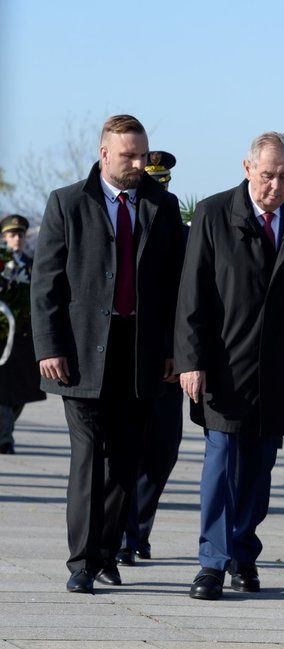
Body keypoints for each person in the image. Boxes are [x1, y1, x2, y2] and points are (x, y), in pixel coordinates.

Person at [174, 132, 284, 601]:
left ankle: (243, 551)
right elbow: (192, 294)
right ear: (248, 167)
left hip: (282, 367)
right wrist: (191, 360)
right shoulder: (213, 212)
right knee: (222, 461)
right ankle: (211, 563)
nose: (275, 185)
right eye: (267, 175)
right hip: (226, 364)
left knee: (259, 468)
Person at [31, 114, 185, 593]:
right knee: (88, 453)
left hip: (139, 352)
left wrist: (171, 351)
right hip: (81, 353)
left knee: (127, 459)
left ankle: (107, 551)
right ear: (104, 154)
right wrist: (49, 347)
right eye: (128, 156)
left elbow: (176, 288)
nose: (138, 164)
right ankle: (82, 561)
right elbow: (47, 284)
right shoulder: (68, 202)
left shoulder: (163, 206)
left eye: (142, 154)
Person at [116, 150, 185, 565]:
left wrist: (179, 353)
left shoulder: (178, 226)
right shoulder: (120, 221)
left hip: (165, 360)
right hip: (124, 353)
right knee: (126, 448)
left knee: (162, 451)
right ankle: (126, 535)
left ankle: (138, 526)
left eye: (163, 183)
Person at [0, 214, 46, 455]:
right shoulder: (0, 266)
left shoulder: (32, 265)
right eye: (11, 234)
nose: (16, 239)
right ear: (4, 237)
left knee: (19, 394)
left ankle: (5, 430)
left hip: (24, 340)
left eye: (19, 234)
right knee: (3, 392)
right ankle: (4, 439)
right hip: (1, 341)